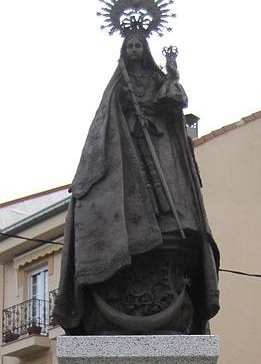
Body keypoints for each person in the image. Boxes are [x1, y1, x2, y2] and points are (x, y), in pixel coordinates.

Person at [53, 33, 219, 335]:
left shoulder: (157, 78)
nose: (133, 50)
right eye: (129, 46)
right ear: (124, 51)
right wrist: (127, 109)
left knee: (167, 194)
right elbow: (105, 123)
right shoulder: (118, 86)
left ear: (145, 51)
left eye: (137, 46)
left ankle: (163, 226)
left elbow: (177, 102)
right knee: (132, 193)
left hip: (160, 144)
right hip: (127, 148)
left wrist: (171, 74)